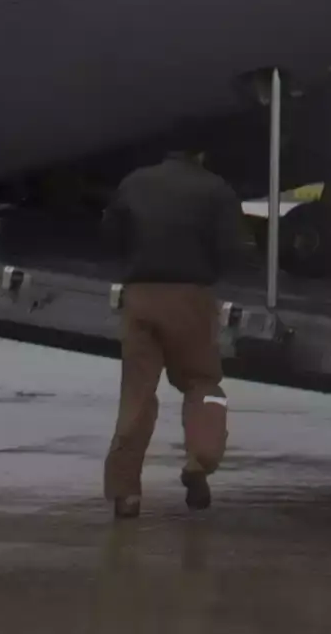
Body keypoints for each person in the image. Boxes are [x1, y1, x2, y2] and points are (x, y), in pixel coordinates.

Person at [99, 146, 255, 518]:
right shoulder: (216, 188)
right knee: (202, 383)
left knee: (138, 392)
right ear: (201, 153)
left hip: (141, 297)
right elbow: (236, 250)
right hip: (192, 299)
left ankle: (126, 494)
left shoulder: (134, 182)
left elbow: (109, 237)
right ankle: (199, 462)